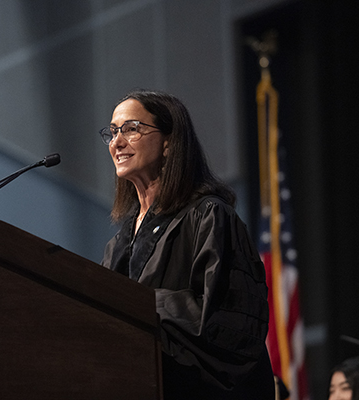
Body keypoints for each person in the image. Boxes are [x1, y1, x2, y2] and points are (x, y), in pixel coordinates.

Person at [100, 89, 274, 399]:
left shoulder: (209, 216)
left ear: (169, 142)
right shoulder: (119, 244)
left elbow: (227, 320)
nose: (117, 142)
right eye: (113, 132)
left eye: (131, 129)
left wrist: (137, 303)